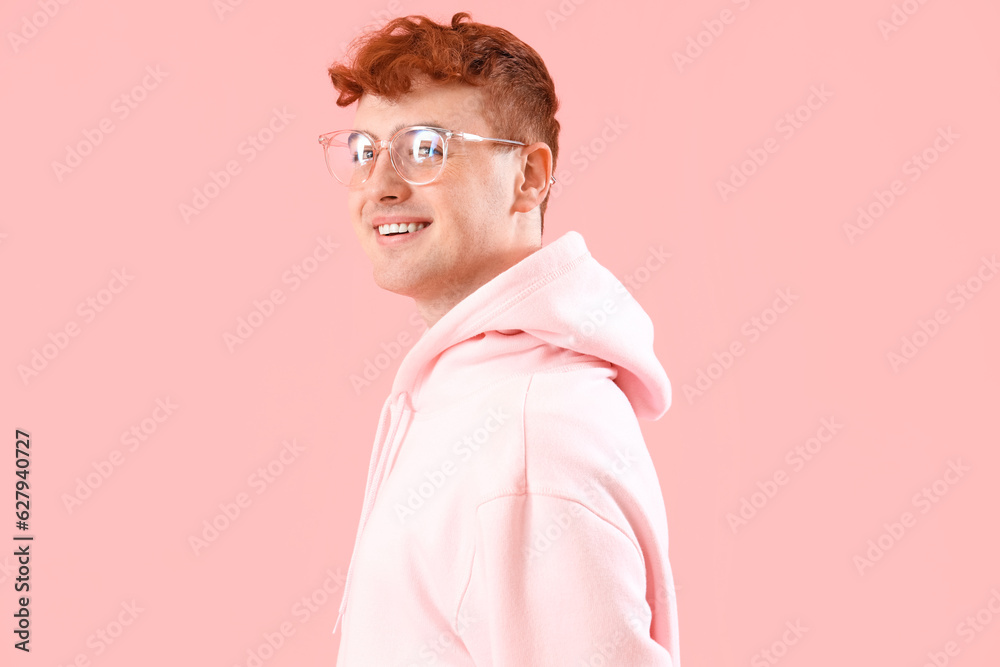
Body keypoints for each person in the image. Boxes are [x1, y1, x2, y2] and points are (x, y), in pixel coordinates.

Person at [322, 11, 680, 666]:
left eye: (424, 147)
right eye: (364, 151)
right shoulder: (472, 398)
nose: (379, 183)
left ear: (530, 177)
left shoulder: (531, 435)